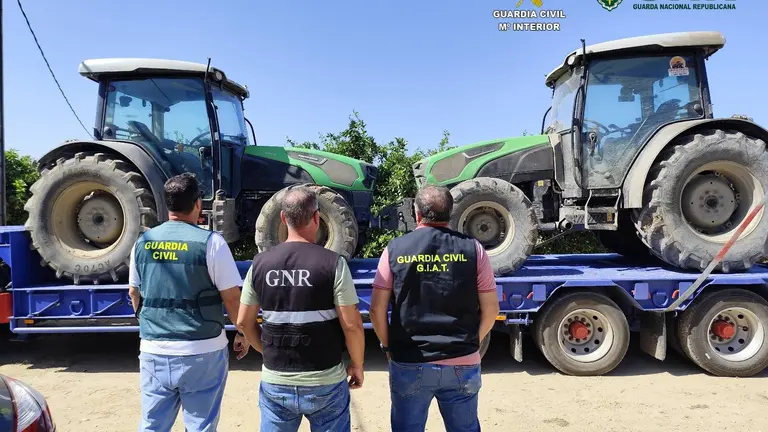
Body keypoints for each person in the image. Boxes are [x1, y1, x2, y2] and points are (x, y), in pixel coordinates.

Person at [369, 184, 500, 432]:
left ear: (416, 212)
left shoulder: (395, 249)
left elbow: (376, 310)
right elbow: (491, 309)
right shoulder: (474, 250)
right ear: (450, 213)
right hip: (463, 361)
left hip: (410, 360)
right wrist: (471, 342)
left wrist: (388, 346)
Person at [236, 186, 365, 432]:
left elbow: (243, 322)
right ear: (317, 218)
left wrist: (267, 350)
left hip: (276, 380)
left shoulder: (260, 264)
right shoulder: (333, 263)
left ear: (283, 218)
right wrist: (357, 364)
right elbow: (351, 324)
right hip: (325, 380)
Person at [128, 172, 250, 432]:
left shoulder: (142, 242)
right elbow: (232, 297)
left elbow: (133, 293)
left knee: (152, 424)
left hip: (154, 349)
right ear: (197, 204)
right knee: (201, 426)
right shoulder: (211, 243)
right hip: (202, 351)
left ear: (167, 203)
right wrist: (243, 332)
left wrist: (150, 323)